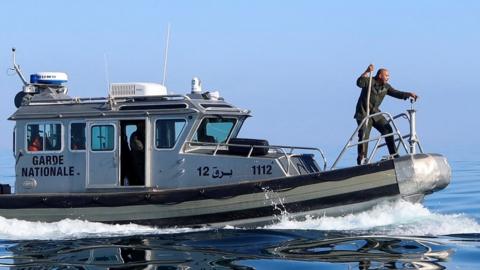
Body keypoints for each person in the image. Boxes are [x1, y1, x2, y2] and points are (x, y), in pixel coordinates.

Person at [354, 64, 418, 165]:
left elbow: (396, 93)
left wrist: (408, 94)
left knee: (388, 129)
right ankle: (362, 159)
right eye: (386, 75)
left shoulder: (386, 87)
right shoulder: (369, 81)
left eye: (388, 76)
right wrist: (366, 71)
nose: (388, 78)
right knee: (364, 135)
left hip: (375, 113)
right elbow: (359, 82)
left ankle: (394, 155)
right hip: (363, 113)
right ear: (380, 75)